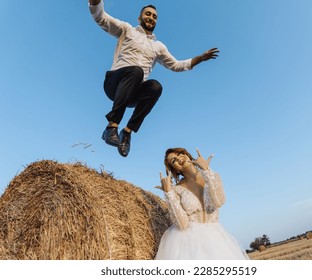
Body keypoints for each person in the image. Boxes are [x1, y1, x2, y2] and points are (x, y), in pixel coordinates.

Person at [88, 0, 220, 157]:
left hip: (132, 93)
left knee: (155, 86)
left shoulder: (159, 47)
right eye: (148, 14)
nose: (151, 17)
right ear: (140, 18)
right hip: (114, 84)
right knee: (136, 71)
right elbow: (102, 18)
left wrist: (200, 58)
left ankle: (127, 133)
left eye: (154, 16)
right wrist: (95, 3)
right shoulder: (127, 30)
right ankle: (111, 127)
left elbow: (177, 65)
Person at [155, 148, 249, 260]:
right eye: (173, 160)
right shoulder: (176, 190)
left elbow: (219, 201)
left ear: (187, 155)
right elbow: (182, 224)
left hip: (216, 238)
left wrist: (206, 170)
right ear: (174, 170)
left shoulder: (212, 175)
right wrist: (168, 193)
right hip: (188, 243)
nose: (179, 158)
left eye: (180, 153)